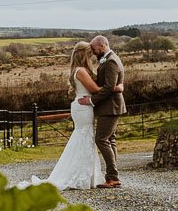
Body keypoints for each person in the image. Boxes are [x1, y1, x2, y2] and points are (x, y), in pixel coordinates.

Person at [25, 43, 119, 190]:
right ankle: (79, 175)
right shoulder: (80, 71)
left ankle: (87, 175)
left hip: (83, 106)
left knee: (85, 137)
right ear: (83, 55)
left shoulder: (80, 70)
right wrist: (116, 87)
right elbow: (95, 89)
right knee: (84, 136)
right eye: (89, 54)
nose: (92, 56)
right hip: (83, 107)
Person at [77, 35, 126, 187]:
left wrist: (91, 101)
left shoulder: (111, 60)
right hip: (110, 106)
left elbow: (108, 88)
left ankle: (113, 177)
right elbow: (110, 85)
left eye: (94, 48)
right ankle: (113, 175)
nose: (92, 51)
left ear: (102, 45)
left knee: (101, 139)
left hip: (110, 107)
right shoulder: (108, 58)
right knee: (110, 140)